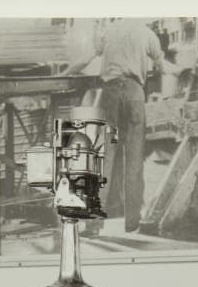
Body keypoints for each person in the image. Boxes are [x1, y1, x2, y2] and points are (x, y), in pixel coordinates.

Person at [64, 19, 183, 232]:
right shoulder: (147, 33)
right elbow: (163, 66)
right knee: (135, 158)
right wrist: (181, 71)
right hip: (134, 94)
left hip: (110, 95)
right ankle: (132, 223)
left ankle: (93, 224)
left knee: (106, 157)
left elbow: (86, 59)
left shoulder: (108, 30)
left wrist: (66, 73)